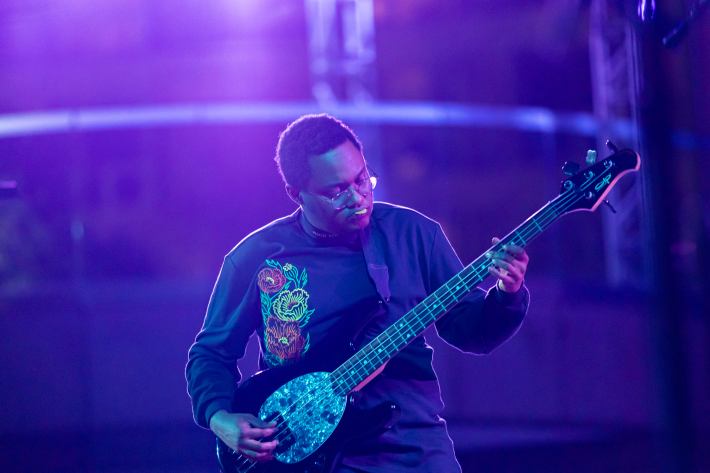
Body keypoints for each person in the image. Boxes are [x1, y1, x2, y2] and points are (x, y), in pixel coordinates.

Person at [185, 114, 530, 472]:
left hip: (412, 447)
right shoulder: (257, 257)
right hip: (310, 459)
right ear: (296, 194)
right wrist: (219, 417)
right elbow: (211, 352)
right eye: (336, 191)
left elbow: (472, 332)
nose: (358, 197)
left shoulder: (412, 235)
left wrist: (508, 292)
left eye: (362, 179)